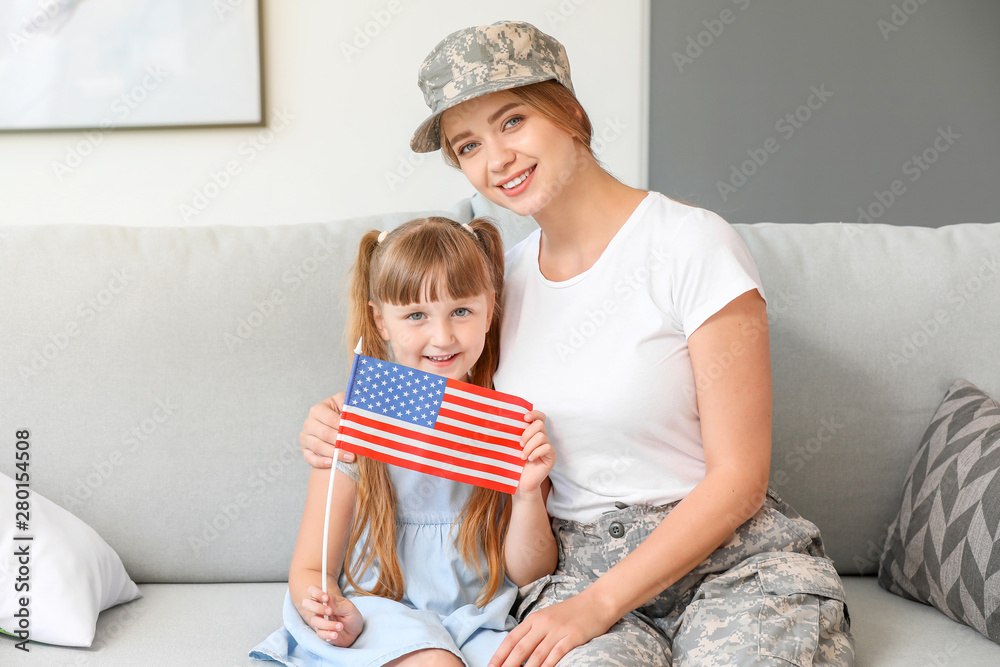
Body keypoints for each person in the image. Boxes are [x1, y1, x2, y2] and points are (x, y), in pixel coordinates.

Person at [299, 21, 854, 667]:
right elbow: (444, 399)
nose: (496, 159)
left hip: (730, 567)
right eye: (468, 144)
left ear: (569, 112)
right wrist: (337, 420)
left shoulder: (691, 244)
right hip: (571, 571)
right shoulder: (497, 283)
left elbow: (739, 480)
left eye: (512, 121)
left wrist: (597, 605)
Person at [252, 216, 557, 667]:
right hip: (378, 621)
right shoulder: (355, 425)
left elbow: (530, 573)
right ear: (381, 321)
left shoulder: (505, 424)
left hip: (476, 624)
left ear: (489, 310)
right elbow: (311, 569)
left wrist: (528, 493)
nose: (442, 336)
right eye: (416, 315)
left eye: (461, 311)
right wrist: (331, 610)